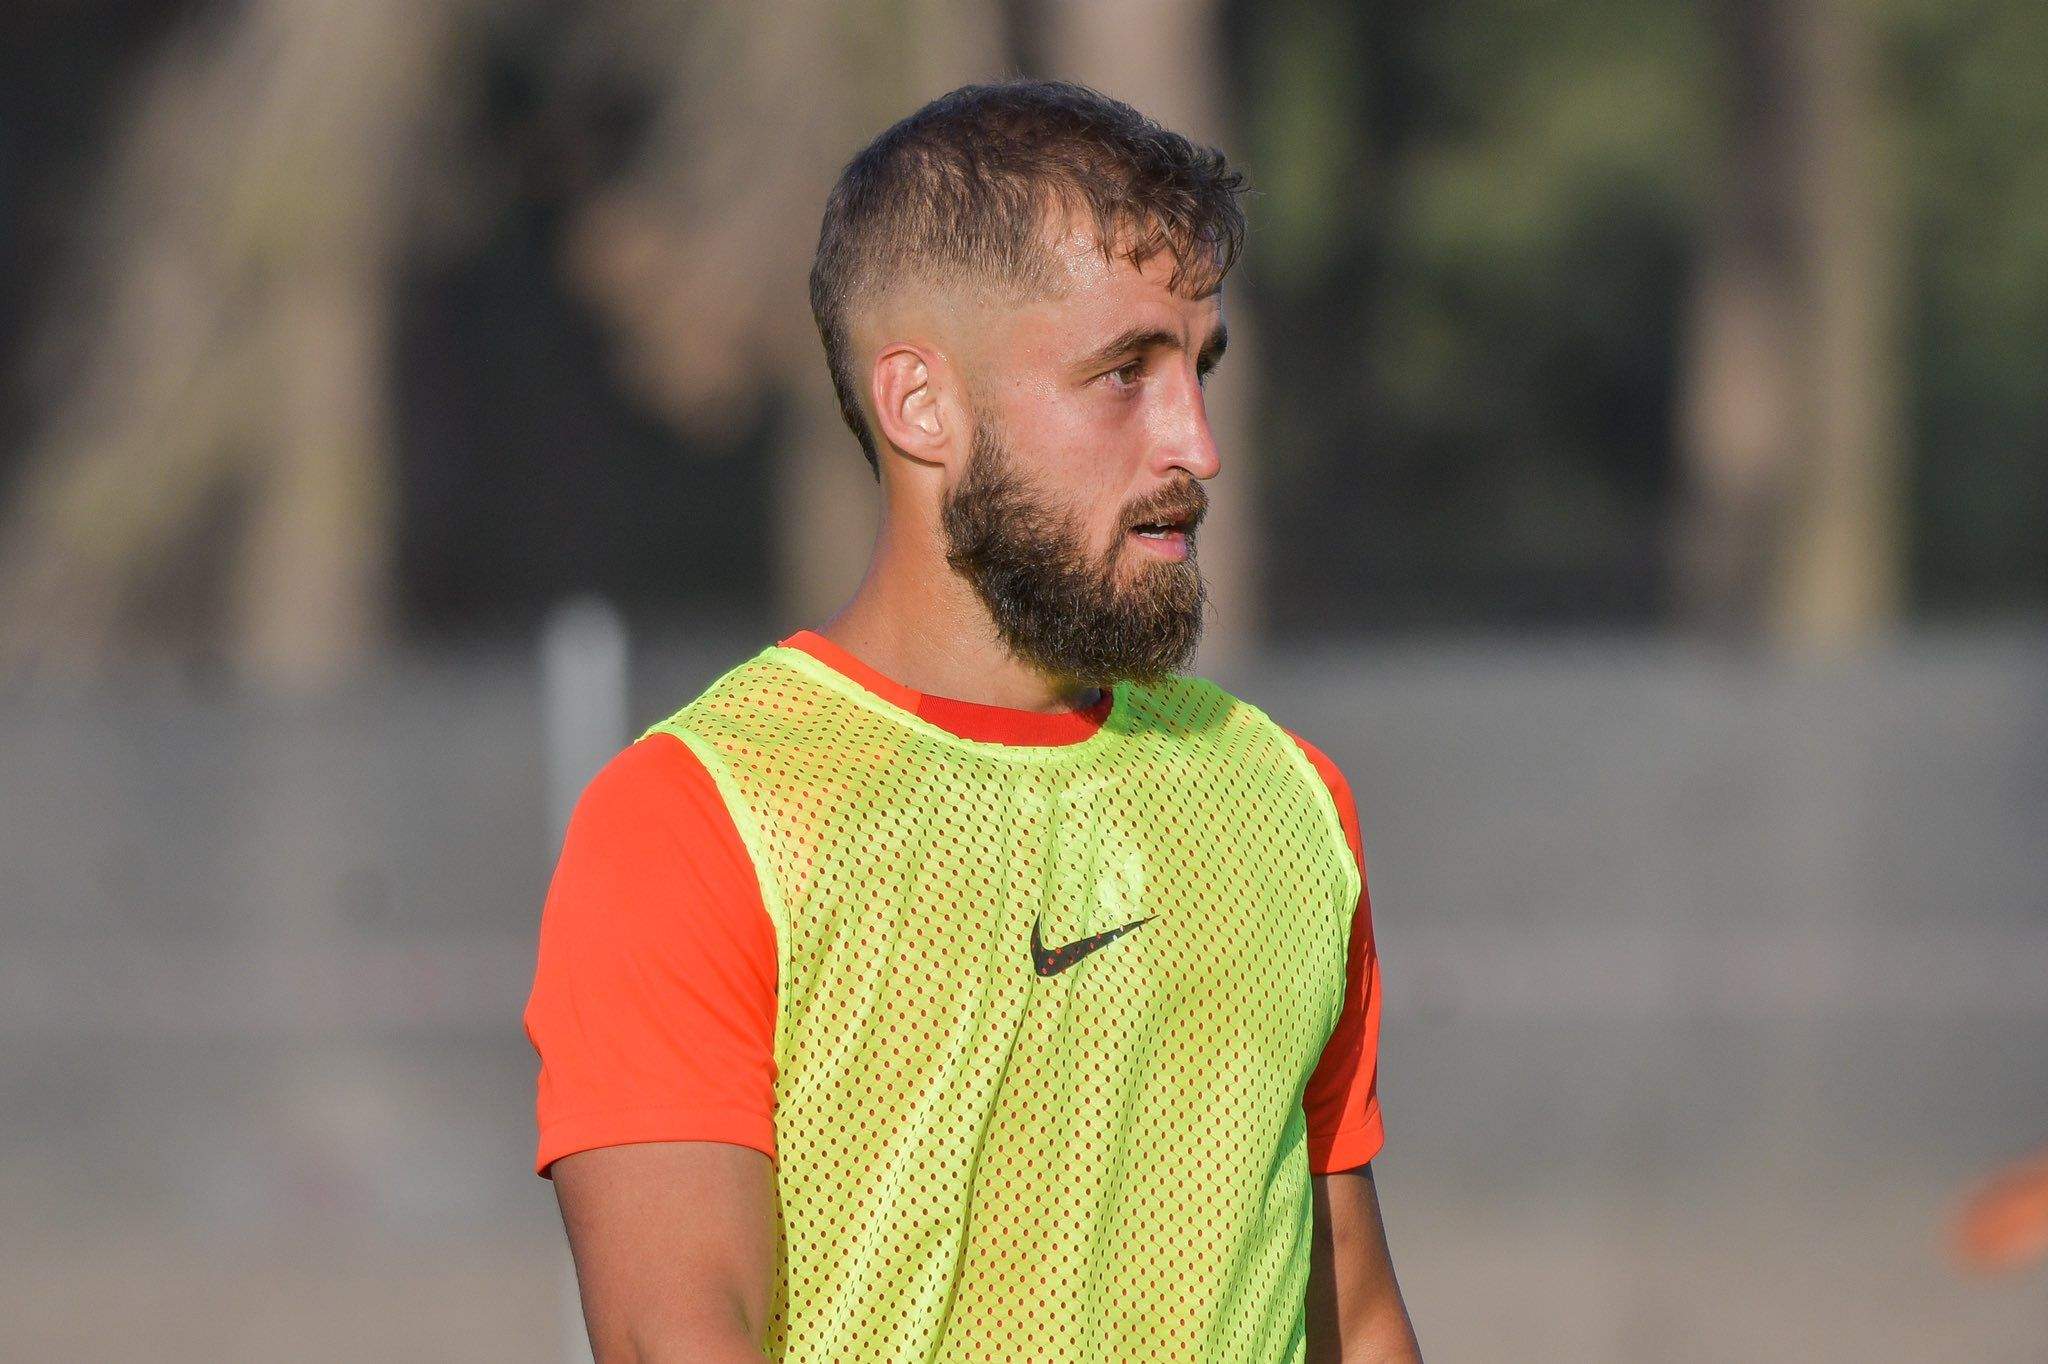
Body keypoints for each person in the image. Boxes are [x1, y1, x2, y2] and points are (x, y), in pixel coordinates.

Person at [522, 79, 1420, 1363]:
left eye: (1200, 368)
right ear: (919, 407)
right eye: (1124, 372)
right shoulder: (698, 817)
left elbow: (1357, 1312)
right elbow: (674, 1334)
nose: (1196, 444)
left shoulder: (1283, 799)